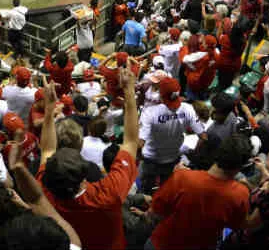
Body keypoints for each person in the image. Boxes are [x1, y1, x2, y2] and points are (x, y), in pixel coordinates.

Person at [40, 66, 139, 250]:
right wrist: (129, 91)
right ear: (84, 178)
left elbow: (46, 149)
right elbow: (132, 141)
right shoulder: (109, 193)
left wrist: (49, 109)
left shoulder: (44, 193)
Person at [146, 134, 252, 250]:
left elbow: (154, 213)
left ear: (218, 153)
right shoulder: (241, 194)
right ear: (241, 165)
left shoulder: (182, 177)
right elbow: (238, 225)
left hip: (162, 244)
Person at [137, 77, 205, 194]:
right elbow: (204, 136)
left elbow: (140, 144)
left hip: (151, 159)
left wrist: (139, 157)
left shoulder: (149, 112)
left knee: (145, 187)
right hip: (172, 158)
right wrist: (195, 153)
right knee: (165, 187)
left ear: (160, 94)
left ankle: (145, 201)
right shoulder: (188, 109)